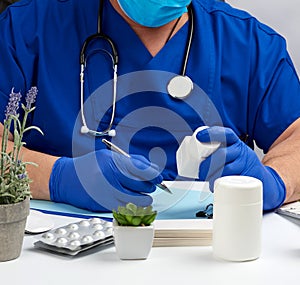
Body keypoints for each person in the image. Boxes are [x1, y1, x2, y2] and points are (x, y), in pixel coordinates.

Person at [0, 0, 299, 213]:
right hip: (59, 256)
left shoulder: (249, 43)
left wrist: (273, 182)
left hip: (207, 257)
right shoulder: (27, 29)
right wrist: (59, 178)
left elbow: (295, 137)